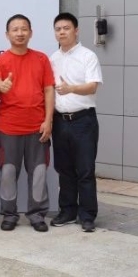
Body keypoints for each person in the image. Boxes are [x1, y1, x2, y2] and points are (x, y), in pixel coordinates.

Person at [0, 14, 54, 232]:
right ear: (7, 34)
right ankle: (9, 214)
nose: (19, 33)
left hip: (38, 128)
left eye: (24, 29)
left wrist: (48, 120)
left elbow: (48, 90)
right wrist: (0, 85)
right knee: (8, 173)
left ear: (31, 33)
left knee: (39, 173)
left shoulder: (41, 59)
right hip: (8, 129)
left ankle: (37, 215)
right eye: (15, 29)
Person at [49, 12, 102, 233]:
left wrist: (71, 88)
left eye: (66, 28)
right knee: (64, 169)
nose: (62, 32)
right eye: (58, 29)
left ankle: (87, 215)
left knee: (85, 170)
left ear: (76, 30)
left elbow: (93, 86)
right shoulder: (53, 58)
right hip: (60, 121)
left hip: (83, 121)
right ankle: (68, 211)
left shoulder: (88, 56)